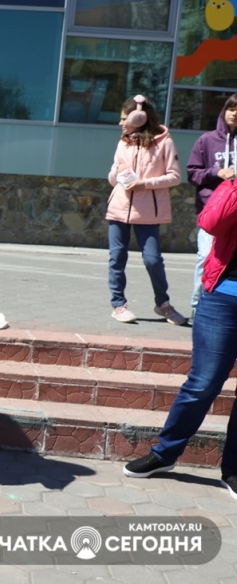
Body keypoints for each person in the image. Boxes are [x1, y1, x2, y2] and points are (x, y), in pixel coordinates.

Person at [123, 174, 237, 498]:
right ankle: (164, 454)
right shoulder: (232, 188)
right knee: (202, 383)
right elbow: (211, 221)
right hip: (223, 297)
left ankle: (233, 470)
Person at [105, 94, 187, 325]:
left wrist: (144, 184)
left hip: (148, 211)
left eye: (124, 118)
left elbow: (175, 177)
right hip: (119, 207)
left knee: (153, 260)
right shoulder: (123, 142)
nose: (120, 123)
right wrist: (117, 172)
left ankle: (163, 304)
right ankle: (118, 304)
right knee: (116, 258)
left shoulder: (165, 143)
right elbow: (113, 178)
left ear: (139, 117)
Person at [186, 93, 237, 317]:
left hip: (235, 213)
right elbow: (192, 173)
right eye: (231, 108)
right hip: (213, 213)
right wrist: (216, 172)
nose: (235, 113)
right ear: (224, 111)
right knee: (206, 256)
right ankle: (199, 306)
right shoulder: (206, 141)